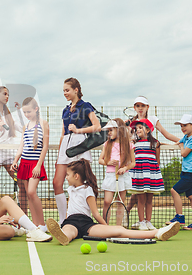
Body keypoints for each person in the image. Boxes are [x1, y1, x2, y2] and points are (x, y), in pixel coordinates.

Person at [46, 159, 180, 246]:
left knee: (119, 230)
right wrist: (64, 222)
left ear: (76, 176)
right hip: (71, 221)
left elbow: (96, 214)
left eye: (68, 175)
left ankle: (158, 232)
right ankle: (63, 236)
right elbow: (70, 210)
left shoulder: (88, 190)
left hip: (87, 224)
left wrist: (106, 227)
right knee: (68, 232)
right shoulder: (70, 189)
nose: (66, 177)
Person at [126, 96, 180, 229]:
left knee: (146, 196)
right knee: (137, 195)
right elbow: (128, 140)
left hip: (149, 168)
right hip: (137, 167)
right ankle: (133, 217)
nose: (140, 108)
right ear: (134, 107)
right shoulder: (131, 124)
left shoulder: (153, 120)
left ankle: (145, 221)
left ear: (147, 107)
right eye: (137, 106)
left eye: (142, 105)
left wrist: (181, 141)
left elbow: (164, 137)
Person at [53, 77, 101, 225]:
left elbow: (97, 126)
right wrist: (59, 155)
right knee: (57, 183)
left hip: (80, 145)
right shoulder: (65, 110)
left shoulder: (86, 106)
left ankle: (84, 216)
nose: (65, 93)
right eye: (63, 91)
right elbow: (63, 133)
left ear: (76, 90)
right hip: (65, 148)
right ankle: (63, 220)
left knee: (82, 183)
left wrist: (79, 130)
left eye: (67, 90)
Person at [0, 86, 28, 213]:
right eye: (5, 94)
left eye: (8, 94)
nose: (7, 96)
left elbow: (23, 127)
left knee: (22, 185)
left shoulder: (8, 114)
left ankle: (23, 220)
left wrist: (19, 112)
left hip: (9, 152)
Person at [11, 97, 49, 232]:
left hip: (35, 164)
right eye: (25, 113)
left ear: (36, 109)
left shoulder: (44, 124)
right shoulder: (25, 126)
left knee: (32, 192)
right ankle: (34, 226)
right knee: (28, 194)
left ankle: (42, 224)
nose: (27, 115)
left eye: (29, 112)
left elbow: (45, 147)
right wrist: (16, 160)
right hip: (24, 162)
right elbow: (22, 145)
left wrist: (39, 165)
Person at [166, 114, 192, 230]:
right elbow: (177, 143)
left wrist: (181, 145)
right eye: (181, 126)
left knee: (174, 190)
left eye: (185, 125)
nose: (182, 128)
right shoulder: (186, 137)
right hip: (186, 172)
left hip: (191, 173)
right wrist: (161, 145)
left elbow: (184, 153)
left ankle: (179, 217)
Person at [128, 119, 164, 231]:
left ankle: (148, 222)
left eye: (140, 128)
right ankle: (142, 222)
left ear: (148, 130)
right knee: (141, 199)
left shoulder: (155, 143)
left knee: (149, 199)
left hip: (151, 174)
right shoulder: (134, 143)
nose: (137, 130)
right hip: (139, 174)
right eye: (136, 128)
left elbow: (157, 160)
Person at [98, 118, 135, 225]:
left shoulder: (129, 144)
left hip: (122, 177)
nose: (109, 133)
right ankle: (105, 226)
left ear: (119, 130)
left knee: (120, 202)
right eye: (108, 131)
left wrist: (125, 168)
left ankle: (118, 227)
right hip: (110, 176)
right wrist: (108, 162)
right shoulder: (107, 144)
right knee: (107, 202)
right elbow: (100, 160)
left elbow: (133, 163)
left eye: (111, 130)